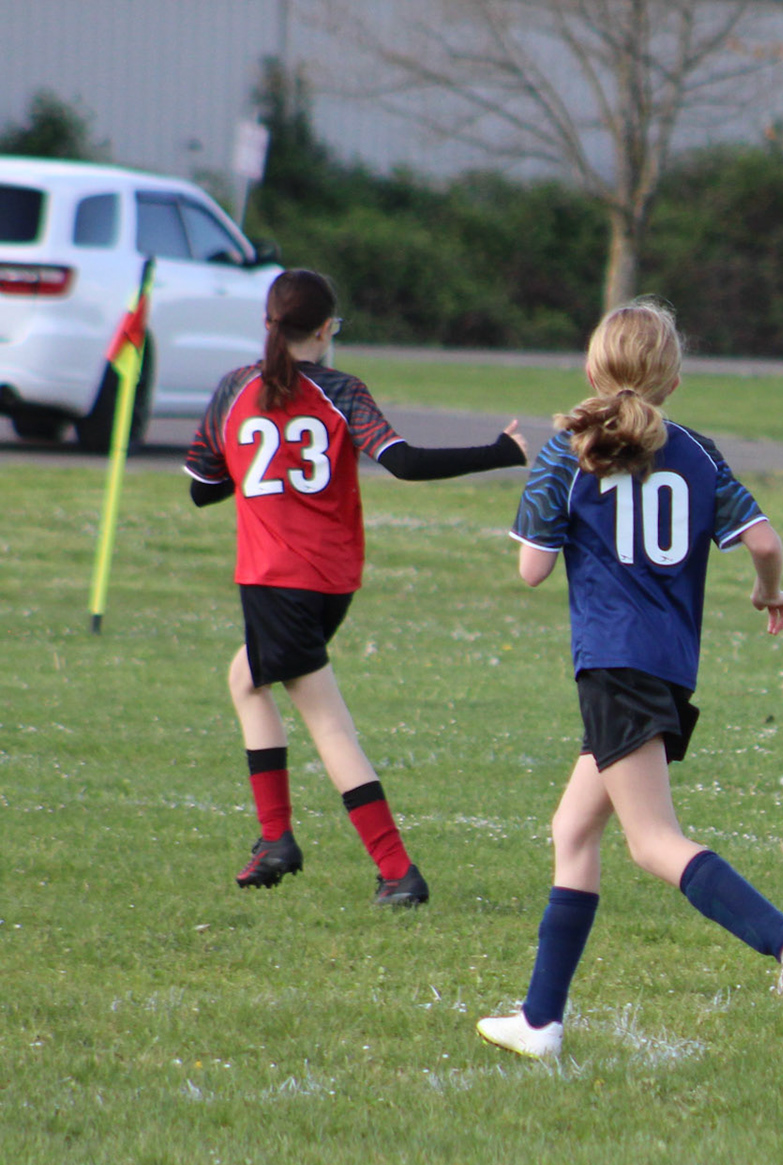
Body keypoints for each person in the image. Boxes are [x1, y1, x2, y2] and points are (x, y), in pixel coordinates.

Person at [475, 299, 783, 1058]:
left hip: (614, 665)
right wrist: (767, 592)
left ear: (592, 368)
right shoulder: (697, 451)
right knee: (573, 830)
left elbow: (532, 570)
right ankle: (541, 1021)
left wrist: (556, 514)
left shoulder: (566, 450)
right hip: (666, 668)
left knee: (652, 842)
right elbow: (765, 542)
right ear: (672, 377)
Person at [185, 268, 527, 906]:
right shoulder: (341, 389)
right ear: (323, 329)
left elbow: (202, 488)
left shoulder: (234, 388)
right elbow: (405, 462)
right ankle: (275, 840)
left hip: (275, 579)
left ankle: (396, 871)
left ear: (268, 325)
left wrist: (256, 471)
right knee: (246, 679)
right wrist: (499, 450)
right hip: (330, 580)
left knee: (328, 725)